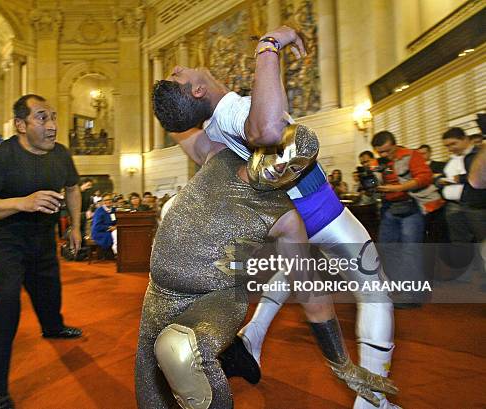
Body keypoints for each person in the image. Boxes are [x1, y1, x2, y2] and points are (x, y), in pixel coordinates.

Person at [152, 24, 399, 409]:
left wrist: (175, 112)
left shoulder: (211, 138)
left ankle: (253, 336)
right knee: (376, 292)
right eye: (177, 76)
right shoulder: (231, 110)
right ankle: (374, 402)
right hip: (323, 212)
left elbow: (185, 134)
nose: (179, 68)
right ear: (198, 91)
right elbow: (266, 129)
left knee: (295, 273)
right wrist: (270, 44)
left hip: (285, 221)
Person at [135, 139, 396, 409]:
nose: (282, 166)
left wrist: (342, 364)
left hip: (297, 224)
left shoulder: (281, 212)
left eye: (293, 167)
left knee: (179, 352)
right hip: (168, 287)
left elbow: (310, 295)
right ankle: (252, 339)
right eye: (280, 154)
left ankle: (372, 404)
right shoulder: (225, 149)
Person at [0, 94, 83, 409]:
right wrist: (23, 202)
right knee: (7, 301)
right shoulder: (1, 157)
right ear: (20, 125)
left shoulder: (61, 154)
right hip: (4, 239)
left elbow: (72, 188)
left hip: (42, 236)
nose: (52, 126)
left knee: (49, 288)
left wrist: (76, 227)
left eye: (54, 117)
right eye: (42, 118)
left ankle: (53, 326)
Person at [372, 131, 445, 308]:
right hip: (389, 208)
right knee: (387, 248)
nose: (383, 155)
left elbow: (425, 177)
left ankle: (413, 295)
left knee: (410, 249)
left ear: (395, 145)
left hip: (411, 205)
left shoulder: (411, 155)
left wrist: (399, 187)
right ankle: (399, 286)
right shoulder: (379, 163)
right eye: (379, 152)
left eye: (387, 151)